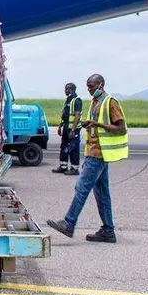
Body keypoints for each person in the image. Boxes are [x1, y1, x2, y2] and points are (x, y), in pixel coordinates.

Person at [47, 74, 128, 244]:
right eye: (88, 87)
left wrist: (98, 125)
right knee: (102, 194)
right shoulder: (94, 102)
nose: (89, 90)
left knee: (81, 187)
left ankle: (69, 223)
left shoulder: (110, 102)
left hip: (99, 153)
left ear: (101, 85)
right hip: (95, 152)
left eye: (92, 86)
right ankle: (108, 230)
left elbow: (121, 128)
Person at [52, 83, 82, 175]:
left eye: (66, 89)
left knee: (73, 148)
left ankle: (74, 169)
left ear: (71, 89)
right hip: (66, 128)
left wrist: (73, 130)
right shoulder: (68, 100)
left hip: (73, 129)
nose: (65, 91)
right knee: (64, 147)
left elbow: (77, 115)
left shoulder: (77, 100)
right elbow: (65, 115)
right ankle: (63, 167)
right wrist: (60, 127)